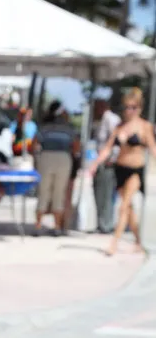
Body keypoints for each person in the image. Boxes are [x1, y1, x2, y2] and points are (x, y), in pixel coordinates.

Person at [90, 87, 156, 255]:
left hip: (136, 170)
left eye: (133, 107)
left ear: (139, 108)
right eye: (127, 107)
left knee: (123, 206)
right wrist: (95, 164)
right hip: (120, 169)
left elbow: (153, 148)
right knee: (129, 209)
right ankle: (138, 241)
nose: (129, 111)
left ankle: (114, 243)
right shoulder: (119, 126)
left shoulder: (145, 126)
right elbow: (107, 148)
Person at [34, 101, 80, 235]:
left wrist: (36, 159)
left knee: (43, 191)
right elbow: (76, 147)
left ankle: (38, 225)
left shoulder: (45, 128)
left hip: (46, 158)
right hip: (63, 159)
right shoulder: (68, 129)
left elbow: (34, 144)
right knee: (59, 193)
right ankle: (57, 227)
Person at [91, 99, 121, 234]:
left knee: (107, 195)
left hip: (108, 163)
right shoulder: (101, 120)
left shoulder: (111, 119)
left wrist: (112, 159)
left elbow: (116, 141)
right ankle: (101, 223)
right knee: (99, 193)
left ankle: (106, 225)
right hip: (101, 162)